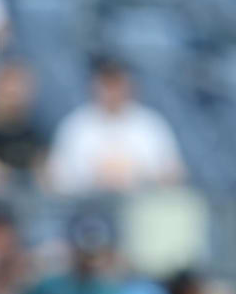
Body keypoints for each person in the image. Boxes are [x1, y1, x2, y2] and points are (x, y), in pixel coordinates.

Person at [46, 57, 184, 196]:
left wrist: (136, 175)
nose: (112, 91)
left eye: (117, 83)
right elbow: (55, 178)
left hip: (142, 204)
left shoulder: (150, 124)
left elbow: (173, 173)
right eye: (106, 84)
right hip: (87, 208)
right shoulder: (76, 126)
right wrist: (97, 176)